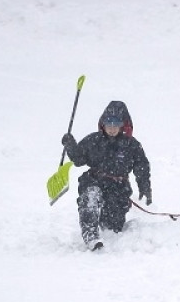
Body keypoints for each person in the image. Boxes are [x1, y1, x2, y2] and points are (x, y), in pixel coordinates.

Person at [61, 101, 151, 251]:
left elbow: (142, 167)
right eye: (108, 124)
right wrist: (70, 145)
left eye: (116, 124)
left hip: (118, 189)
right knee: (91, 195)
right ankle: (90, 235)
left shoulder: (131, 145)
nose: (112, 128)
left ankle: (103, 224)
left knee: (112, 228)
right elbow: (78, 159)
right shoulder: (94, 140)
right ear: (102, 123)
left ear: (123, 125)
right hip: (95, 180)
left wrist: (145, 187)